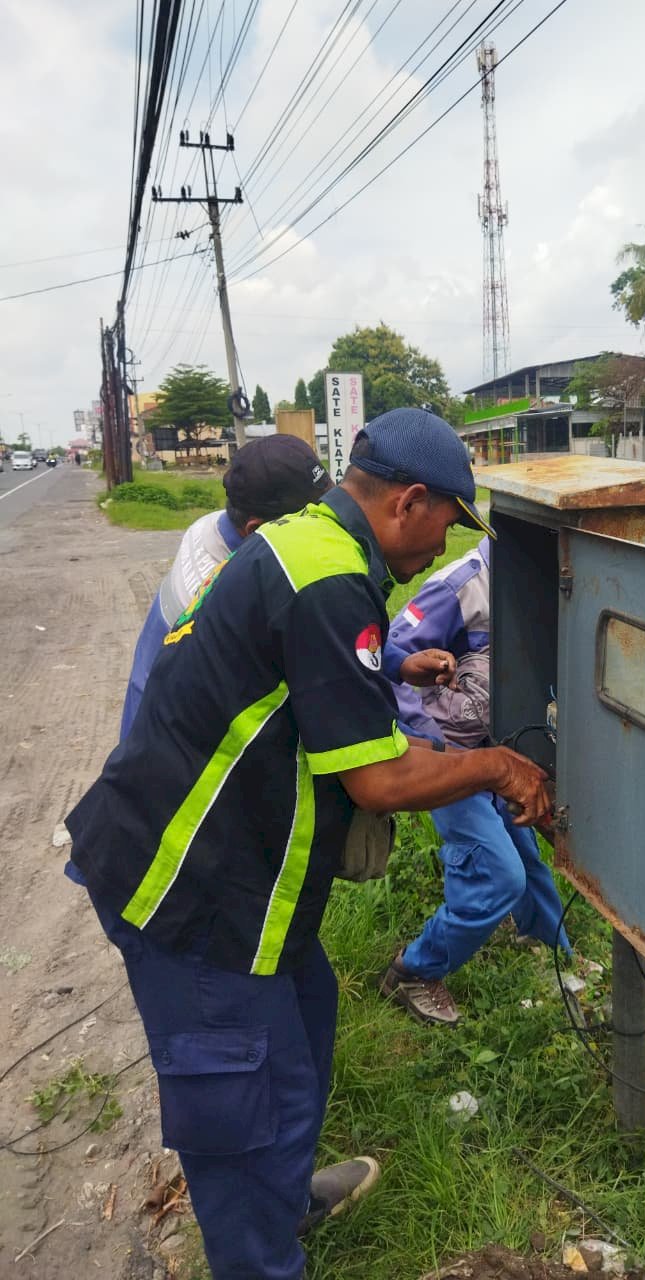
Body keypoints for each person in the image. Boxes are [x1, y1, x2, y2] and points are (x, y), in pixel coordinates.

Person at [64, 408, 550, 1280]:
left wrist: (393, 669)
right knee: (236, 1102)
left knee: (302, 1037)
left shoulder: (310, 541)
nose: (447, 546)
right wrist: (497, 767)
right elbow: (380, 781)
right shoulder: (330, 575)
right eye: (450, 521)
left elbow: (292, 665)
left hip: (250, 885)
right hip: (192, 893)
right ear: (410, 501)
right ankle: (259, 1250)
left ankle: (283, 1205)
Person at [379, 537, 570, 1025]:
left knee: (523, 849)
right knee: (497, 871)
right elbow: (389, 662)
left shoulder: (549, 580)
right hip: (443, 755)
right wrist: (433, 750)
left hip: (492, 747)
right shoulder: (462, 588)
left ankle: (546, 941)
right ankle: (413, 971)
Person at [119, 434, 333, 737]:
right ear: (256, 530)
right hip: (166, 750)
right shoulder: (227, 602)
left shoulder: (208, 525)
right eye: (314, 520)